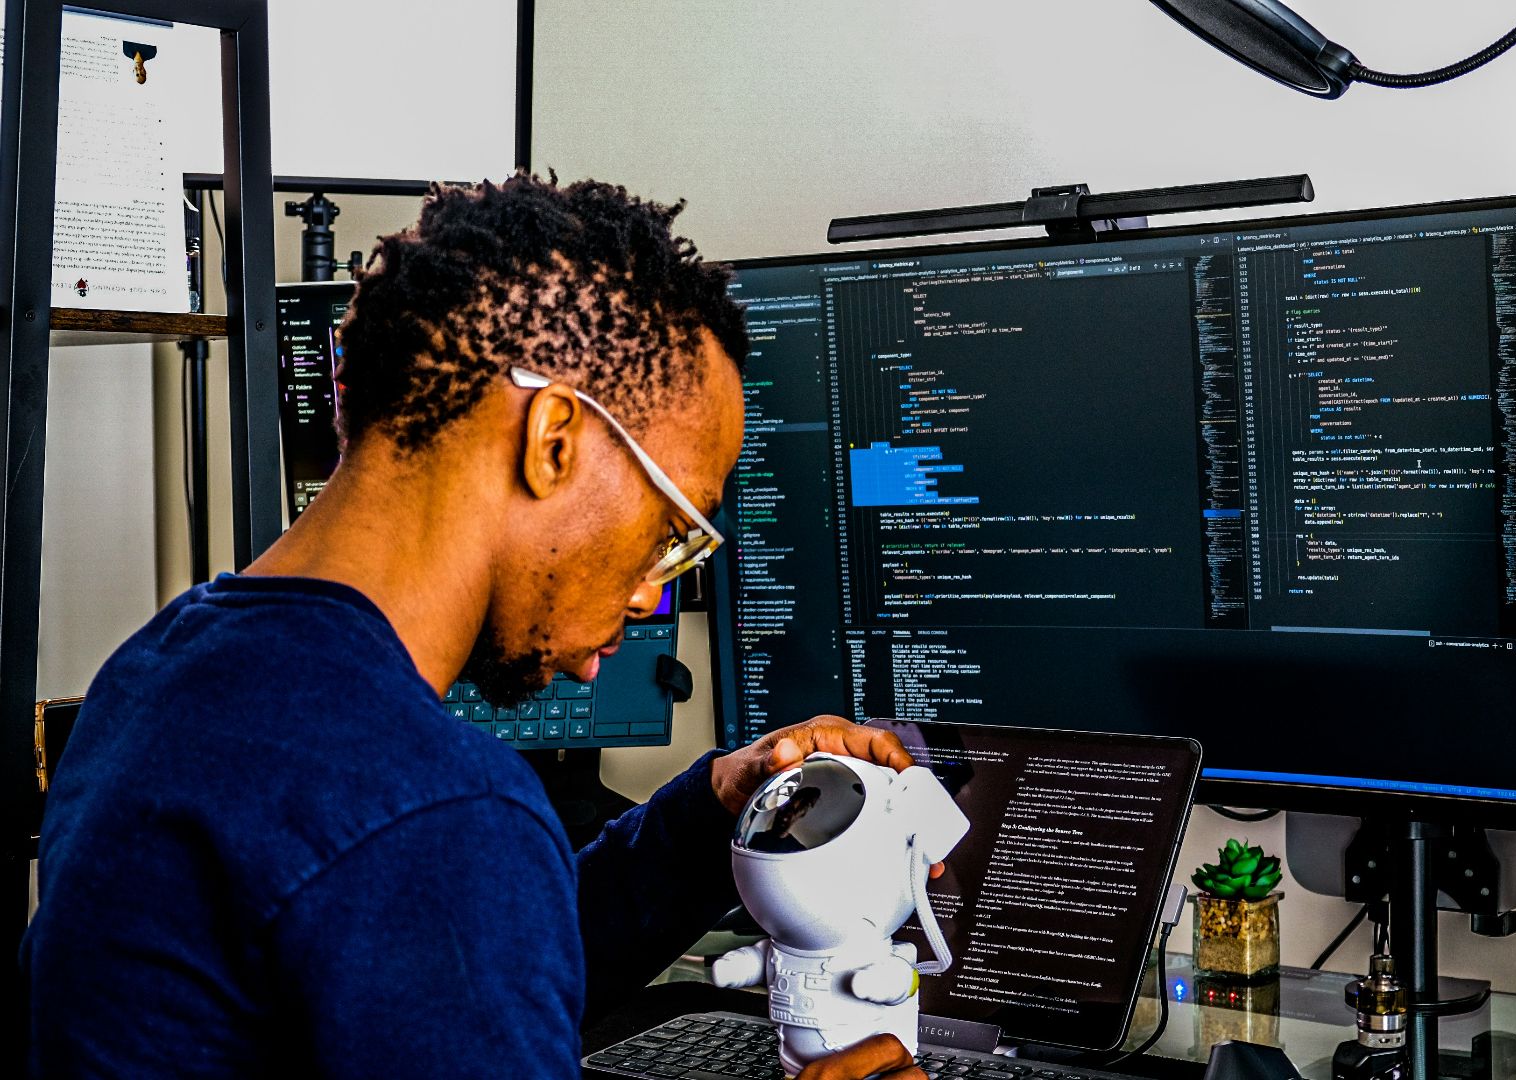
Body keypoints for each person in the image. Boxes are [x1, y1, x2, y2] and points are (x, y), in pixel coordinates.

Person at [23, 174, 927, 1080]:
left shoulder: (158, 672)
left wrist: (706, 817)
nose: (653, 594)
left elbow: (442, 972)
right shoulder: (427, 810)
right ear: (554, 443)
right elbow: (429, 890)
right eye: (669, 530)